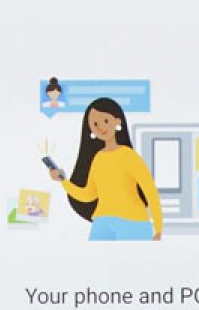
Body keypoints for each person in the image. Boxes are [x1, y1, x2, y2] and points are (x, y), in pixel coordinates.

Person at [48, 97, 162, 240]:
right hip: (102, 222)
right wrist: (63, 180)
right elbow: (88, 194)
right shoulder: (98, 158)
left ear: (117, 121)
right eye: (95, 124)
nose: (101, 128)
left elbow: (150, 191)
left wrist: (158, 229)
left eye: (106, 121)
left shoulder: (129, 156)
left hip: (133, 222)